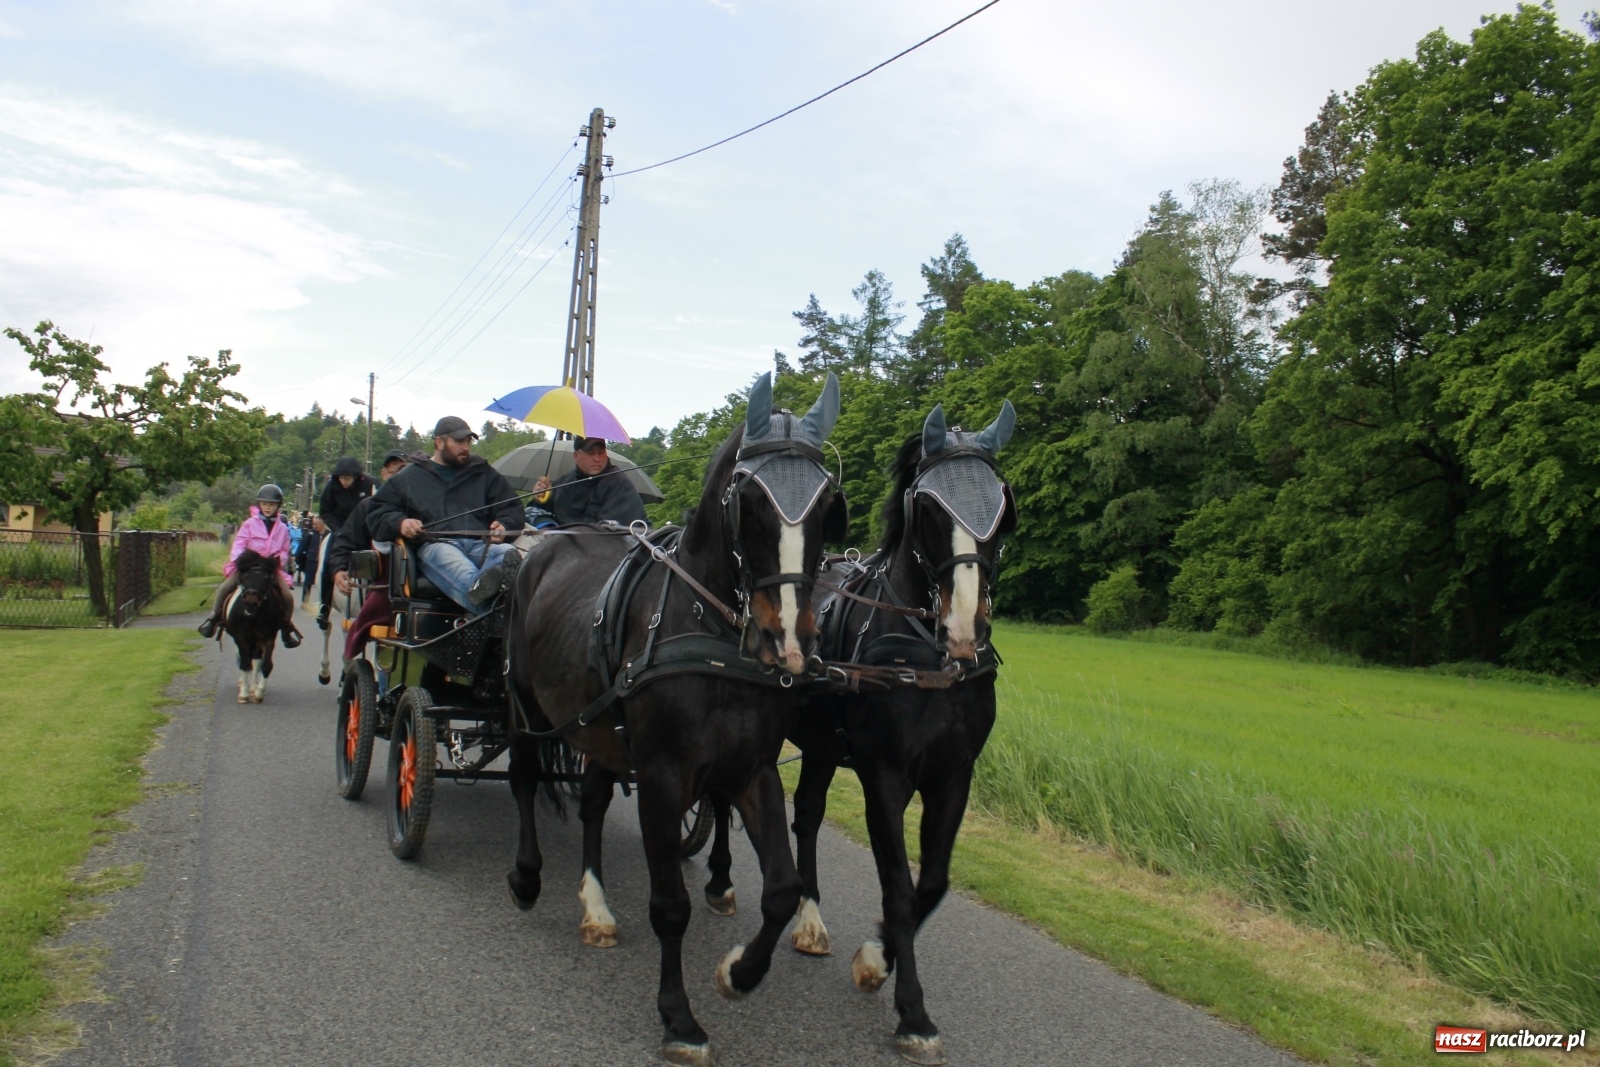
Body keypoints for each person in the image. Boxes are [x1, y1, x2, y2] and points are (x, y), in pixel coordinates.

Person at [368, 417, 526, 616]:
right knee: (456, 565)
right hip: (437, 546)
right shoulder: (409, 476)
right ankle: (494, 608)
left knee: (506, 552)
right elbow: (377, 512)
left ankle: (490, 600)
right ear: (439, 442)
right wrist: (401, 523)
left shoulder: (483, 472)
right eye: (459, 441)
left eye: (468, 442)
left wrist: (504, 525)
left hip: (482, 545)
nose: (465, 447)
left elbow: (512, 508)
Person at [326, 449, 417, 661]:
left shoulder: (422, 504)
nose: (397, 475)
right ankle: (324, 605)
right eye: (393, 471)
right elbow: (346, 540)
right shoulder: (368, 506)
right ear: (384, 474)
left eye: (403, 470)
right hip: (383, 581)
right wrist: (338, 569)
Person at [198, 485, 304, 647]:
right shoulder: (249, 524)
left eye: (271, 504)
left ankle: (286, 628)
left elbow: (284, 549)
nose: (267, 507)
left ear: (278, 506)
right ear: (259, 505)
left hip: (269, 568)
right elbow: (239, 544)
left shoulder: (282, 529)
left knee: (288, 597)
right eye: (264, 504)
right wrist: (241, 561)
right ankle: (213, 618)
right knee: (225, 587)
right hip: (249, 566)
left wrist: (277, 561)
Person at [531, 436, 647, 527]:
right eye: (591, 453)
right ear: (576, 456)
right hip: (560, 546)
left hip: (612, 550)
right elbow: (535, 512)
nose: (597, 459)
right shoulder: (565, 482)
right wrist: (542, 499)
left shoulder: (620, 484)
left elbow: (609, 532)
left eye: (601, 452)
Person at [316, 456, 375, 630]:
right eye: (341, 478)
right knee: (328, 561)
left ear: (357, 477)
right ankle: (325, 606)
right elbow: (325, 511)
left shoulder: (370, 485)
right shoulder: (332, 487)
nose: (344, 482)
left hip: (364, 531)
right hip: (341, 531)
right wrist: (338, 530)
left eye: (347, 478)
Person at [297, 516, 324, 606]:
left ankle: (324, 604)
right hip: (311, 561)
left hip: (322, 563)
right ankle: (305, 601)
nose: (314, 526)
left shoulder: (328, 535)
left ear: (322, 524)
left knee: (324, 583)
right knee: (308, 582)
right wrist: (297, 557)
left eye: (316, 524)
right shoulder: (310, 533)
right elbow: (302, 546)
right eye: (313, 524)